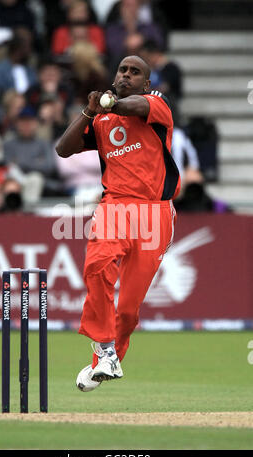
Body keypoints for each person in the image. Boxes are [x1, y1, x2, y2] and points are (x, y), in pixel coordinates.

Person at [56, 55, 180, 391]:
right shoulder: (100, 120)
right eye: (122, 70)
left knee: (127, 310)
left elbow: (134, 107)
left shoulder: (157, 104)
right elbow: (63, 149)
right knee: (97, 265)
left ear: (147, 82)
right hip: (115, 206)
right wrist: (88, 112)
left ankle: (107, 360)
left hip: (155, 212)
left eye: (134, 72)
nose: (126, 74)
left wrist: (109, 103)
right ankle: (105, 349)